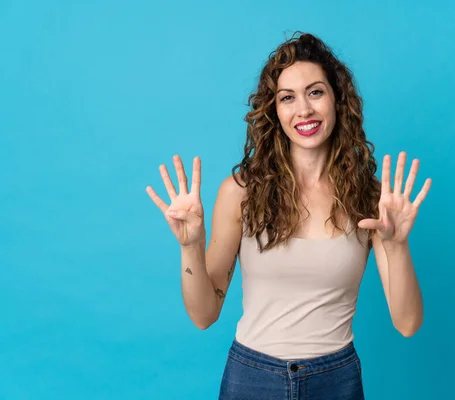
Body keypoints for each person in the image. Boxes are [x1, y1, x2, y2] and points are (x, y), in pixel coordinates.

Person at [146, 32, 432, 400]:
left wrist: (398, 246)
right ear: (274, 110)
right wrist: (191, 246)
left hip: (336, 380)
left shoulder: (373, 198)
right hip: (251, 379)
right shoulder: (240, 192)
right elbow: (204, 315)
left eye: (315, 92)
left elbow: (407, 324)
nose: (304, 110)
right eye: (287, 98)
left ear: (337, 99)